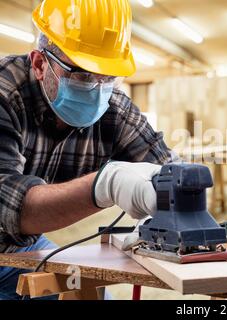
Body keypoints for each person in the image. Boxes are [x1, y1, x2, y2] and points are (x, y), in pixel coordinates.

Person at [0, 0, 176, 299]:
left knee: (90, 293)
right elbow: (7, 206)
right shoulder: (5, 93)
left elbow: (172, 171)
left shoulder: (114, 110)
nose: (97, 88)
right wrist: (105, 186)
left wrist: (168, 206)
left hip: (18, 247)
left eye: (108, 76)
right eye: (82, 74)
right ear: (41, 64)